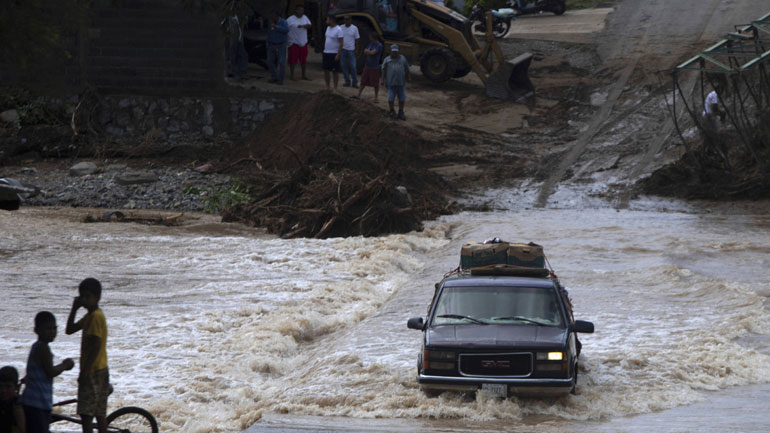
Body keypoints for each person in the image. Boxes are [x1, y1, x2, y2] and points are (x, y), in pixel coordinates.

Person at [18, 312, 75, 433]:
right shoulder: (42, 347)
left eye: (54, 328)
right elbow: (50, 372)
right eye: (48, 329)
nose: (52, 332)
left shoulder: (37, 346)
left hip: (36, 402)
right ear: (37, 330)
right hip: (37, 404)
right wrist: (65, 365)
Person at [66, 278, 109, 433]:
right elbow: (69, 330)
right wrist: (74, 308)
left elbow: (96, 346)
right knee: (99, 413)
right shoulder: (91, 316)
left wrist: (84, 372)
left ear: (97, 298)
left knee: (86, 416)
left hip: (92, 371)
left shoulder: (95, 317)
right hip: (101, 369)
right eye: (81, 296)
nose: (84, 300)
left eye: (87, 296)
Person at [381, 44, 410, 120]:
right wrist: (382, 80)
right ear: (390, 51)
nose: (395, 53)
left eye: (396, 52)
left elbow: (407, 68)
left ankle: (401, 112)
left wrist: (408, 77)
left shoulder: (403, 59)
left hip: (401, 83)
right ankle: (392, 111)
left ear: (398, 51)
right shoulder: (387, 60)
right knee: (390, 98)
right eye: (393, 52)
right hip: (391, 83)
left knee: (402, 98)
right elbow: (383, 70)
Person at [286, 5, 312, 81]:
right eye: (299, 10)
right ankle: (292, 76)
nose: (301, 12)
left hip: (303, 42)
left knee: (303, 60)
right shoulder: (290, 19)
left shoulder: (305, 17)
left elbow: (309, 25)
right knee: (293, 60)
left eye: (302, 10)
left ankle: (304, 75)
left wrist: (303, 26)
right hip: (294, 42)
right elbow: (286, 29)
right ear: (296, 10)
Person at [357, 32, 383, 101]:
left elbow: (372, 53)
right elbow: (366, 51)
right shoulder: (371, 44)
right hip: (367, 65)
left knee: (375, 83)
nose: (369, 38)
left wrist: (368, 51)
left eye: (370, 37)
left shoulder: (379, 45)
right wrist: (369, 52)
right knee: (363, 81)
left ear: (373, 38)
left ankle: (376, 97)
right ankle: (358, 95)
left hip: (374, 67)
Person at [222, 7, 247, 78]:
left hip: (238, 40)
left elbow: (241, 24)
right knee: (232, 57)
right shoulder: (227, 18)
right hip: (231, 40)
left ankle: (241, 72)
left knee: (243, 56)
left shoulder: (238, 17)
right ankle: (234, 72)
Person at [266, 12, 289, 85]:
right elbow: (269, 32)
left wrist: (277, 27)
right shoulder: (270, 22)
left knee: (281, 62)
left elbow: (286, 30)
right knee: (270, 61)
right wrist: (267, 42)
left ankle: (280, 79)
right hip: (272, 44)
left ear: (277, 16)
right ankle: (274, 77)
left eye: (273, 17)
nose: (272, 18)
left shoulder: (283, 22)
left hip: (281, 45)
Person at [1, 366, 25, 433]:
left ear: (16, 387)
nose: (3, 390)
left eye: (8, 386)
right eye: (0, 386)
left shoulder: (20, 405)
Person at [323, 15, 344, 91]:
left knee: (335, 71)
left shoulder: (339, 29)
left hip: (334, 53)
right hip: (326, 52)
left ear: (331, 20)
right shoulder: (328, 28)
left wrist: (338, 54)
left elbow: (341, 43)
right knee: (326, 70)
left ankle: (335, 88)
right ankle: (328, 87)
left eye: (327, 20)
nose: (326, 21)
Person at [340, 15, 360, 88]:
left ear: (351, 19)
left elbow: (357, 40)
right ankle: (347, 81)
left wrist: (357, 49)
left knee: (353, 66)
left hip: (351, 50)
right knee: (344, 66)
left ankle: (355, 82)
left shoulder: (354, 28)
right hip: (343, 50)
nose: (346, 20)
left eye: (348, 19)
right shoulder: (341, 27)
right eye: (345, 19)